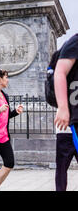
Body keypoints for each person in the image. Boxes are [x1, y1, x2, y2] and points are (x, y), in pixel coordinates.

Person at [54, 33, 78, 191]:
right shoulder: (74, 43)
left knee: (61, 168)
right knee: (62, 168)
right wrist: (63, 107)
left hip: (69, 125)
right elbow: (59, 72)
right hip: (67, 127)